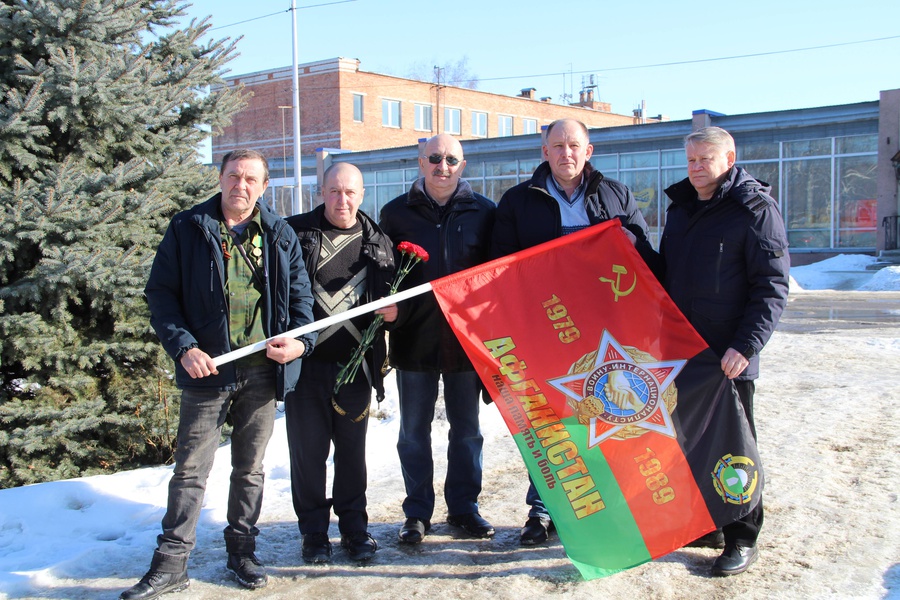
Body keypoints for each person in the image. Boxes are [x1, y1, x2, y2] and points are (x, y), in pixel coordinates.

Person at [122, 149, 316, 599]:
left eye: (251, 179)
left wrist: (301, 343)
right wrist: (184, 347)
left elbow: (303, 304)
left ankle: (242, 553)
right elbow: (161, 295)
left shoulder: (280, 234)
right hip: (205, 372)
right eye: (233, 176)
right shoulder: (187, 228)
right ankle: (171, 564)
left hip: (262, 374)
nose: (240, 186)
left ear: (264, 186)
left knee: (250, 470)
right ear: (221, 177)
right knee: (190, 471)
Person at [490, 118, 658, 546]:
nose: (566, 153)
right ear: (544, 151)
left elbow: (644, 258)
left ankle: (614, 507)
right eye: (558, 145)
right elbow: (499, 268)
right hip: (544, 330)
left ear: (589, 150)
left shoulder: (615, 195)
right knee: (549, 421)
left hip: (605, 332)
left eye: (574, 145)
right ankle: (543, 509)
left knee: (609, 416)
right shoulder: (517, 201)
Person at [660, 126, 789, 576]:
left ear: (728, 159)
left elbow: (770, 288)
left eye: (705, 160)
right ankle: (711, 523)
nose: (695, 168)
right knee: (692, 443)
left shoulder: (754, 209)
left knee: (737, 447)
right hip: (684, 355)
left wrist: (745, 345)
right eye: (690, 160)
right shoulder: (681, 208)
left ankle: (742, 536)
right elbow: (667, 275)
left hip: (729, 359)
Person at [379, 133, 496, 544]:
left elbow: (496, 278)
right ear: (420, 161)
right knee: (413, 432)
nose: (441, 166)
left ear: (462, 165)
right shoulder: (395, 214)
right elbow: (384, 277)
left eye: (450, 159)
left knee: (466, 432)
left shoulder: (484, 212)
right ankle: (417, 513)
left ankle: (464, 509)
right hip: (415, 340)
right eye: (434, 158)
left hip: (467, 344)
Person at [284, 163, 396, 563]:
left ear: (362, 194)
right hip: (306, 367)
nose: (342, 200)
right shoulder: (294, 234)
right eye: (334, 191)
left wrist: (395, 314)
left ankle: (355, 529)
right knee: (307, 454)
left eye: (350, 192)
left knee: (352, 454)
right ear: (321, 191)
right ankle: (313, 533)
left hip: (355, 368)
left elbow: (394, 301)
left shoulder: (380, 242)